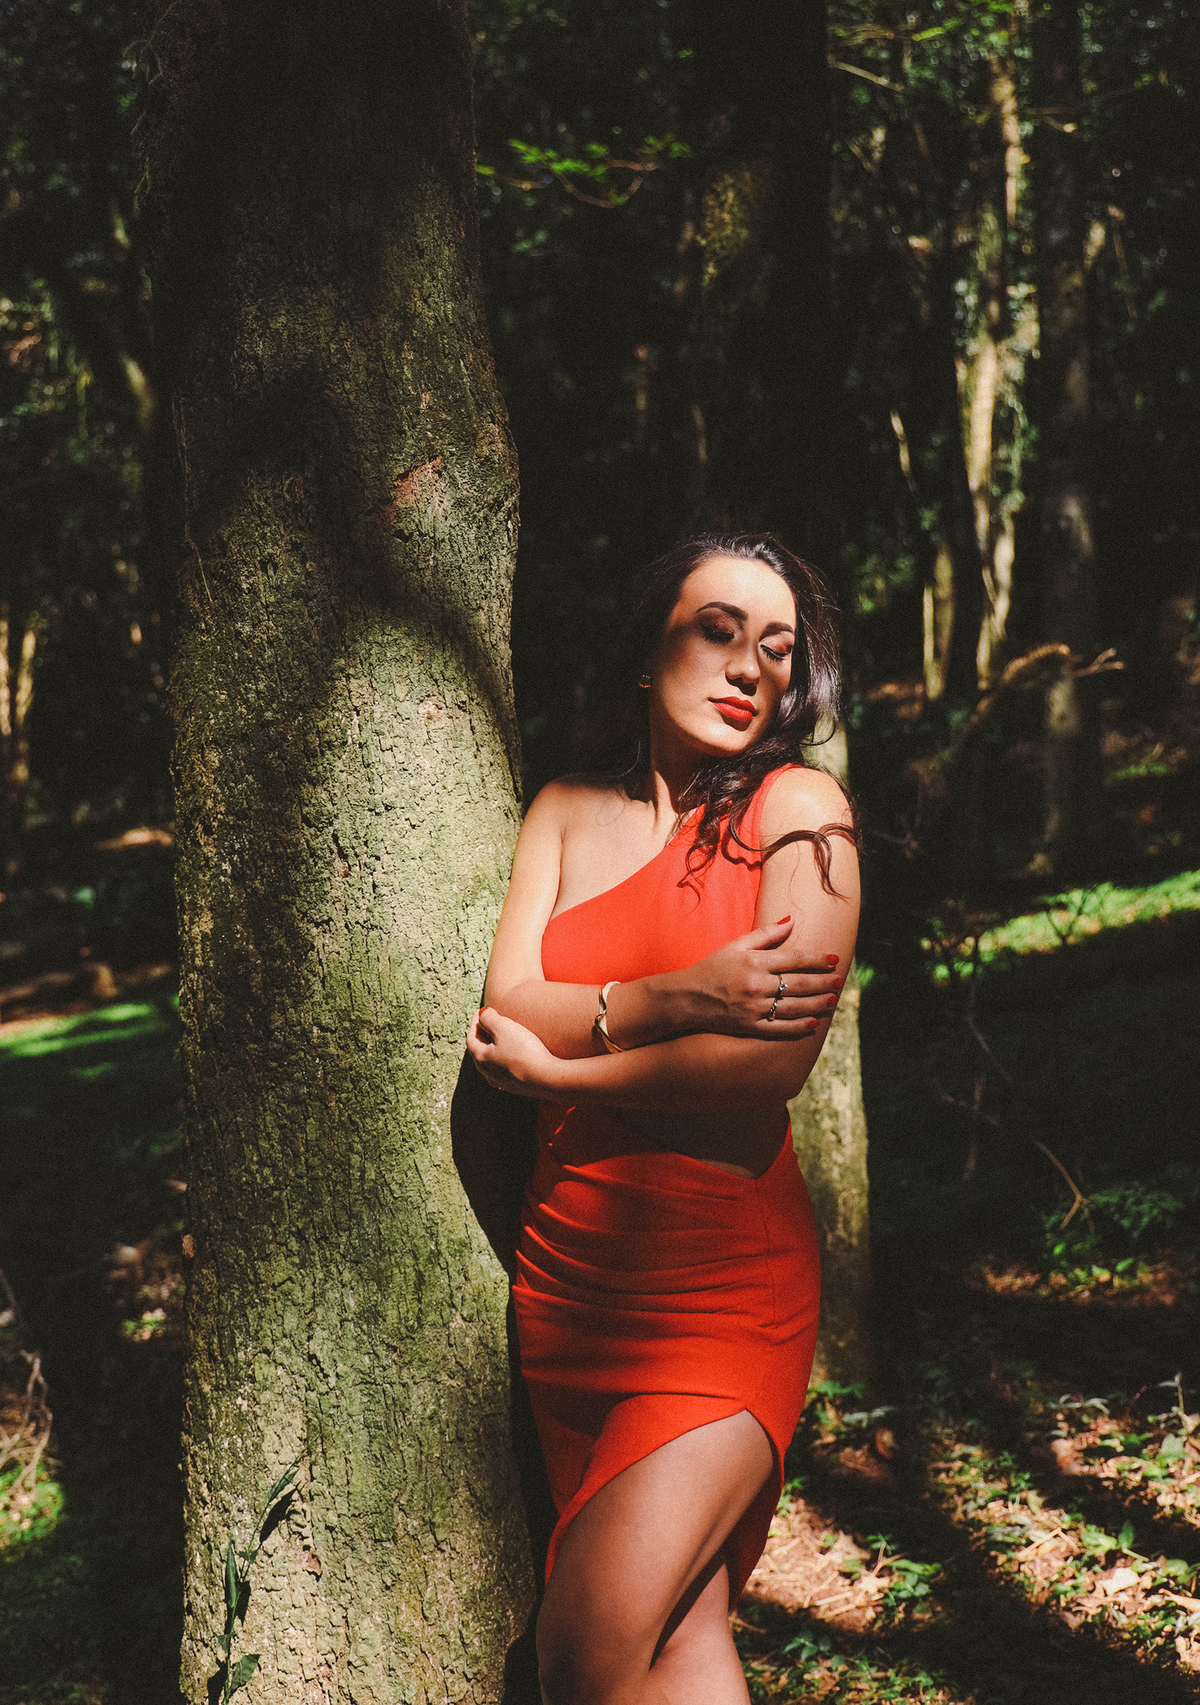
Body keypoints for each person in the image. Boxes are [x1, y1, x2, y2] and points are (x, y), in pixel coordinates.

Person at [466, 533, 861, 1705]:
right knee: (676, 1639)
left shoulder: (802, 812)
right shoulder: (563, 810)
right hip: (568, 1289)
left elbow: (768, 1065)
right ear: (648, 649)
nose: (750, 667)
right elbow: (508, 1002)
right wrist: (680, 996)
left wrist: (566, 1071)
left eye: (778, 649)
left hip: (725, 1292)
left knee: (585, 1641)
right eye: (718, 630)